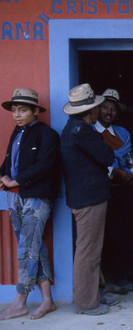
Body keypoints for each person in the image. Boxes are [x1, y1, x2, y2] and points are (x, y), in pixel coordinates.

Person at [0, 88, 59, 320]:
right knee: (35, 246)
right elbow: (8, 162)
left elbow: (44, 166)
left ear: (36, 111)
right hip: (14, 196)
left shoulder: (47, 134)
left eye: (22, 110)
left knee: (26, 248)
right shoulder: (17, 132)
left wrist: (16, 180)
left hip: (37, 196)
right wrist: (3, 177)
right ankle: (48, 301)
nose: (16, 115)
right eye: (14, 110)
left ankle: (20, 302)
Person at [60, 83, 115, 315]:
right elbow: (107, 156)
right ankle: (86, 302)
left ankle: (95, 292)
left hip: (81, 197)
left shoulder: (69, 129)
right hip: (90, 199)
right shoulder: (83, 131)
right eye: (97, 108)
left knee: (89, 248)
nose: (99, 112)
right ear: (90, 111)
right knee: (88, 251)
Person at [94, 88, 133, 294]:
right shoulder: (91, 133)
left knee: (128, 233)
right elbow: (99, 162)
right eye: (105, 108)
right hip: (105, 192)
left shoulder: (122, 133)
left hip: (125, 191)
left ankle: (127, 275)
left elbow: (129, 157)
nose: (109, 113)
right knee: (111, 235)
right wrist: (117, 172)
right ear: (98, 109)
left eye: (113, 109)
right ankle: (113, 278)